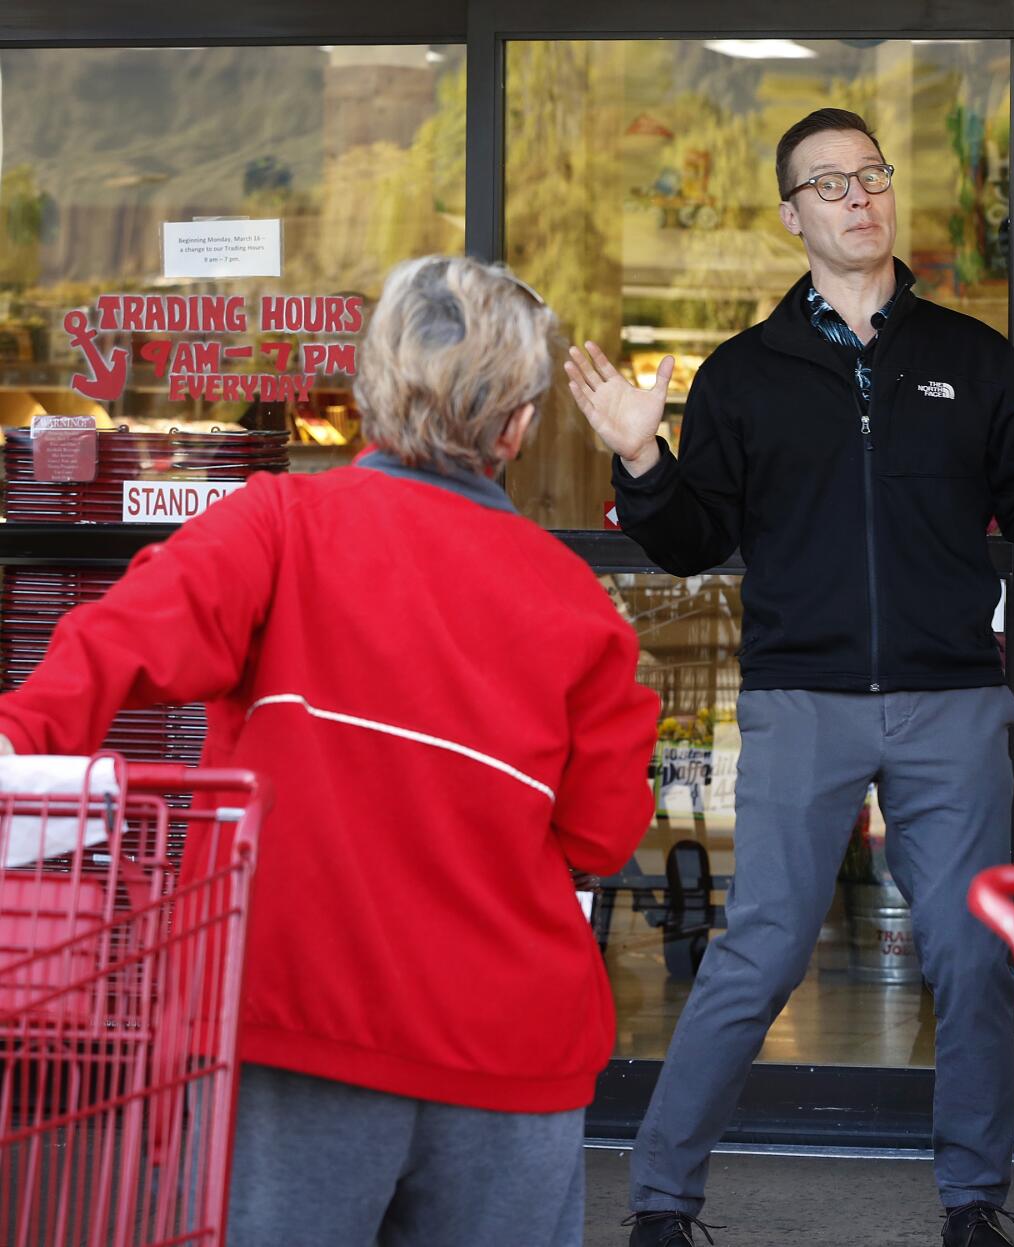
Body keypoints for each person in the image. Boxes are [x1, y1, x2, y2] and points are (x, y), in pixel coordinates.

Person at [0, 255, 661, 1247]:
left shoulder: (279, 524)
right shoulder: (578, 603)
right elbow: (603, 834)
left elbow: (112, 644)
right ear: (519, 426)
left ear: (369, 391)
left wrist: (16, 746)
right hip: (512, 1051)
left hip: (302, 1018)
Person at [565, 107, 1014, 1247]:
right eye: (828, 184)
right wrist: (642, 459)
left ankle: (974, 1202)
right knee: (761, 948)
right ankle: (661, 1203)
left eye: (870, 175)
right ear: (792, 217)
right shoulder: (742, 376)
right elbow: (688, 540)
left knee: (970, 954)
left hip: (949, 706)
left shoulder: (969, 359)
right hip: (801, 702)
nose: (857, 196)